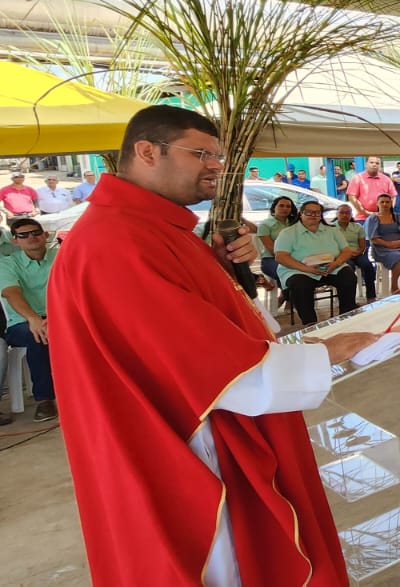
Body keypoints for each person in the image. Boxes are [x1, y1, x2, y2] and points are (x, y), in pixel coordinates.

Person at [50, 105, 377, 585]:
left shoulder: (153, 227)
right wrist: (327, 351)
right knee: (226, 561)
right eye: (201, 153)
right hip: (181, 444)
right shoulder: (115, 242)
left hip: (196, 423)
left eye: (219, 156)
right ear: (146, 151)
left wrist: (219, 263)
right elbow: (199, 362)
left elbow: (183, 312)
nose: (216, 167)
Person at [0, 216, 58, 423]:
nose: (30, 238)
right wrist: (33, 318)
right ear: (15, 240)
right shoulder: (7, 263)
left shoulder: (61, 256)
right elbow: (11, 293)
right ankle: (45, 399)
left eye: (35, 233)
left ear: (45, 235)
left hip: (59, 317)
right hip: (22, 322)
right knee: (38, 335)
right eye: (23, 235)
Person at [273, 200, 358, 324]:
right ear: (301, 213)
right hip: (299, 270)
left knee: (348, 277)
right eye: (309, 212)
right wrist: (307, 269)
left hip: (331, 267)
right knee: (300, 285)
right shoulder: (288, 233)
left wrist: (336, 263)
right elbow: (281, 257)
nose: (313, 215)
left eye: (317, 213)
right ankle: (310, 323)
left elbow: (346, 251)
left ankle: (347, 317)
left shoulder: (332, 231)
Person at [364, 193, 400, 295]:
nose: (385, 204)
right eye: (382, 202)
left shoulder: (398, 217)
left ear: (391, 203)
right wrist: (388, 244)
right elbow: (373, 238)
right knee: (397, 259)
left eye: (387, 202)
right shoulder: (372, 219)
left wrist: (399, 242)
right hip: (381, 248)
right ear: (377, 204)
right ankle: (394, 287)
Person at [333, 204, 377, 302]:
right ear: (337, 214)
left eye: (348, 213)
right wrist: (346, 254)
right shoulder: (331, 228)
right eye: (342, 213)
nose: (345, 215)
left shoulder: (357, 227)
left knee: (368, 265)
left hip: (356, 253)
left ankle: (371, 296)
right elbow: (331, 246)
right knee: (349, 269)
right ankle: (349, 300)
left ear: (351, 214)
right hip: (341, 255)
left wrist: (357, 252)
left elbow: (362, 246)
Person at [346, 155, 396, 222]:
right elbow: (352, 197)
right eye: (371, 162)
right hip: (363, 219)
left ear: (380, 166)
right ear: (366, 164)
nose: (374, 165)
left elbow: (393, 197)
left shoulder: (386, 179)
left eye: (377, 163)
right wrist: (365, 212)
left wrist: (387, 211)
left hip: (383, 218)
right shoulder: (358, 178)